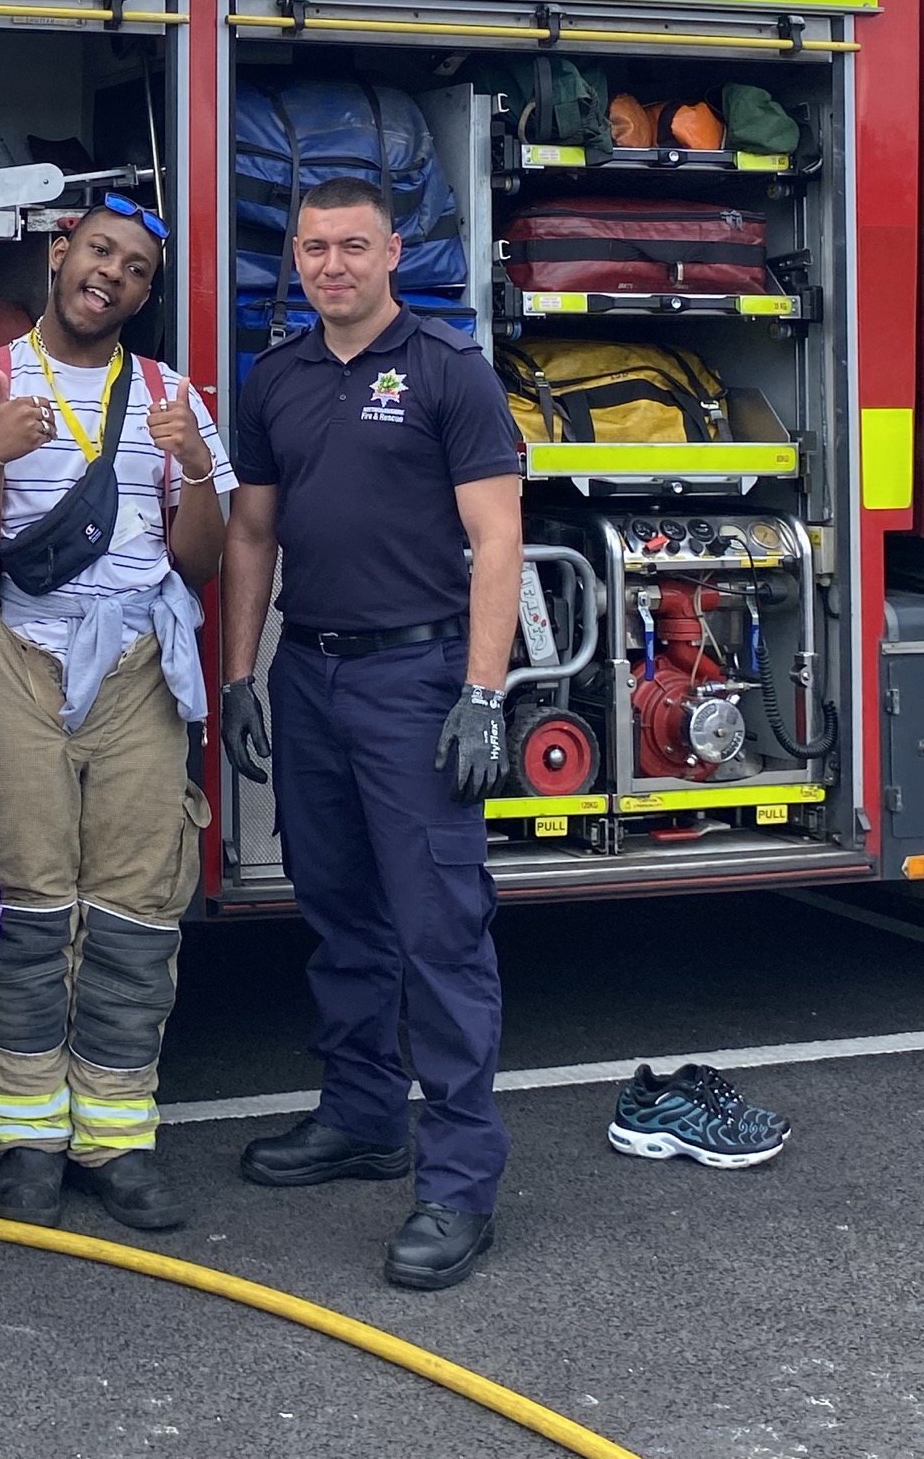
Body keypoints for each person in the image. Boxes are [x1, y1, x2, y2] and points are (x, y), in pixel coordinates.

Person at [216, 178, 524, 1292]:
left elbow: (498, 540)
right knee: (339, 911)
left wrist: (481, 695)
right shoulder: (276, 379)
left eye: (353, 246)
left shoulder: (449, 372)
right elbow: (251, 534)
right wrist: (240, 675)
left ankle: (459, 1184)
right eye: (313, 249)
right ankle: (360, 1117)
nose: (332, 266)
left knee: (440, 931)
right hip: (310, 673)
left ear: (393, 252)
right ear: (294, 259)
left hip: (416, 680)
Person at [0, 193, 229, 1232]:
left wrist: (195, 470)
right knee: (23, 900)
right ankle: (26, 1139)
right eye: (100, 252)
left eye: (137, 269)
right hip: (17, 658)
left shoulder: (173, 396)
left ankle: (117, 1140)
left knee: (137, 904)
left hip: (139, 665)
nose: (113, 276)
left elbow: (202, 562)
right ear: (60, 254)